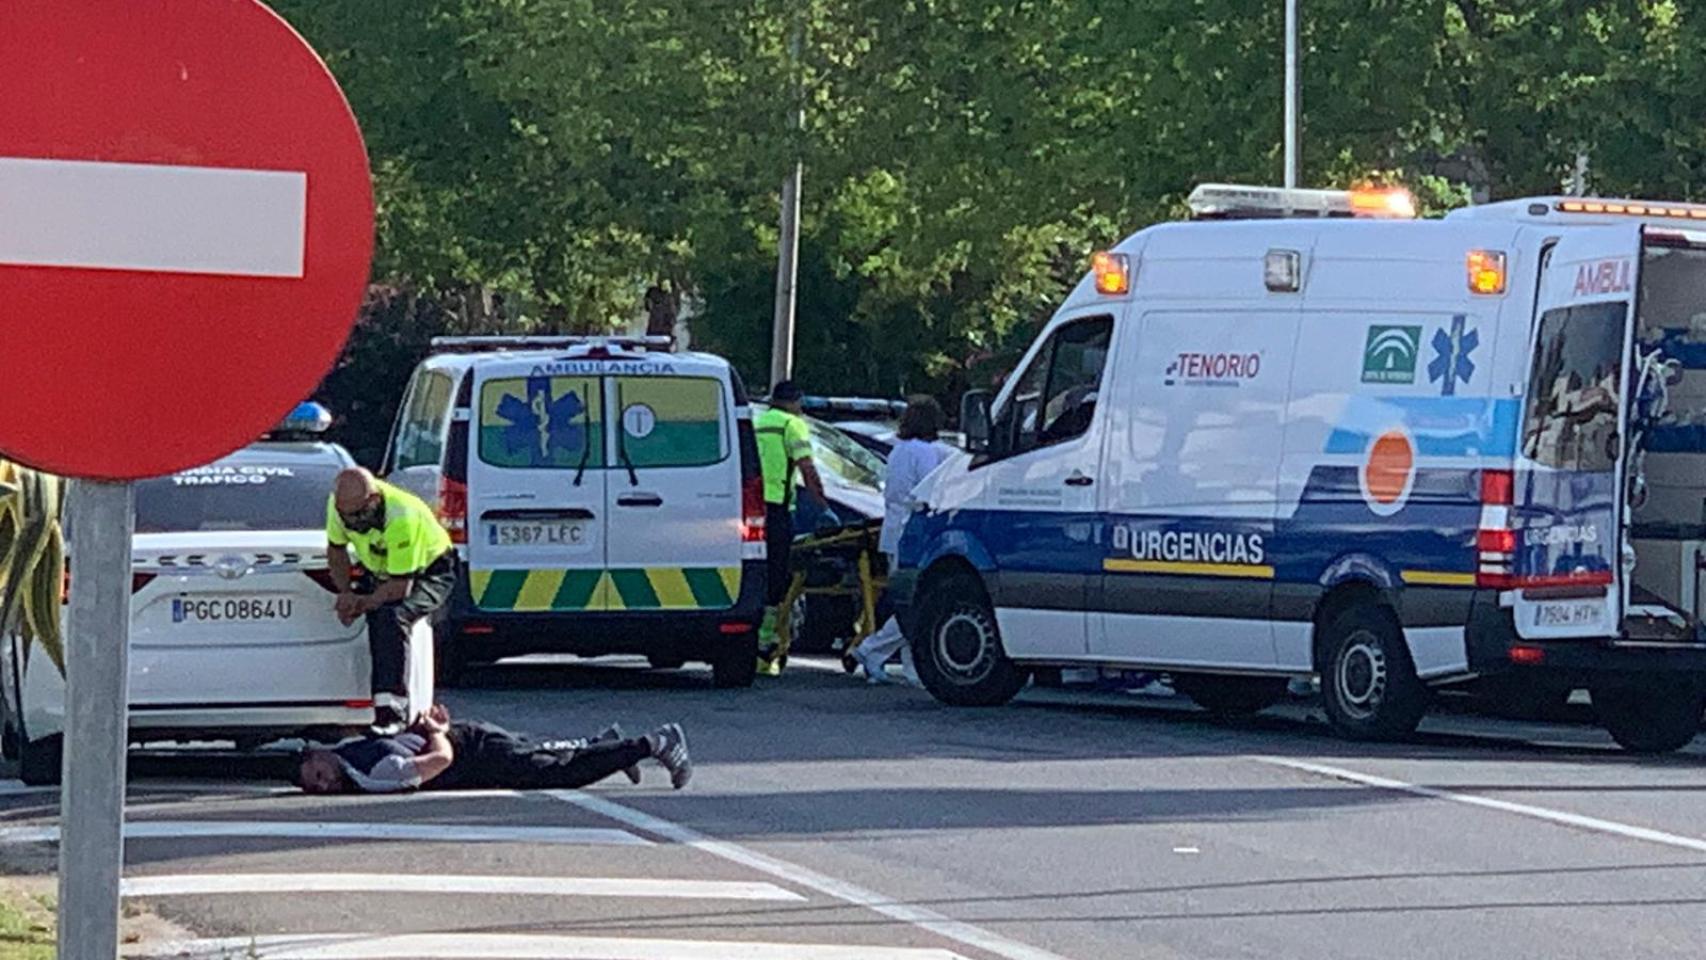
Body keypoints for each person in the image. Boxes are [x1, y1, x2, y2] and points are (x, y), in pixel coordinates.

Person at [297, 704, 693, 793]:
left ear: (316, 755)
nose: (323, 784)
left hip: (472, 753)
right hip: (474, 745)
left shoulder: (370, 772)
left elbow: (441, 759)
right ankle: (605, 746)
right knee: (538, 755)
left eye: (316, 775)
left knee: (557, 775)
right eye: (317, 787)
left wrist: (436, 730)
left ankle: (653, 743)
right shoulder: (352, 757)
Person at [326, 468, 457, 734]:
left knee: (392, 617)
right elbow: (336, 549)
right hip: (381, 569)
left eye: (359, 514)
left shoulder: (401, 516)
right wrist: (346, 593)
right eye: (346, 515)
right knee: (361, 610)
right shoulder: (338, 505)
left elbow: (400, 587)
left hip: (428, 572)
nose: (352, 521)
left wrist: (364, 603)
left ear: (374, 500)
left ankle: (392, 709)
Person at [851, 396, 953, 685]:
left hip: (894, 531)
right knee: (917, 604)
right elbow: (930, 491)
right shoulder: (926, 453)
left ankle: (912, 667)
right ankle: (871, 649)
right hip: (914, 533)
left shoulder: (899, 451)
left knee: (907, 600)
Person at [754, 380, 826, 675]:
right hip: (778, 510)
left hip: (753, 507)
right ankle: (765, 641)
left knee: (757, 572)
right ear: (795, 401)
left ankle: (757, 639)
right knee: (777, 577)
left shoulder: (758, 423)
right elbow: (807, 468)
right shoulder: (791, 425)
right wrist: (823, 506)